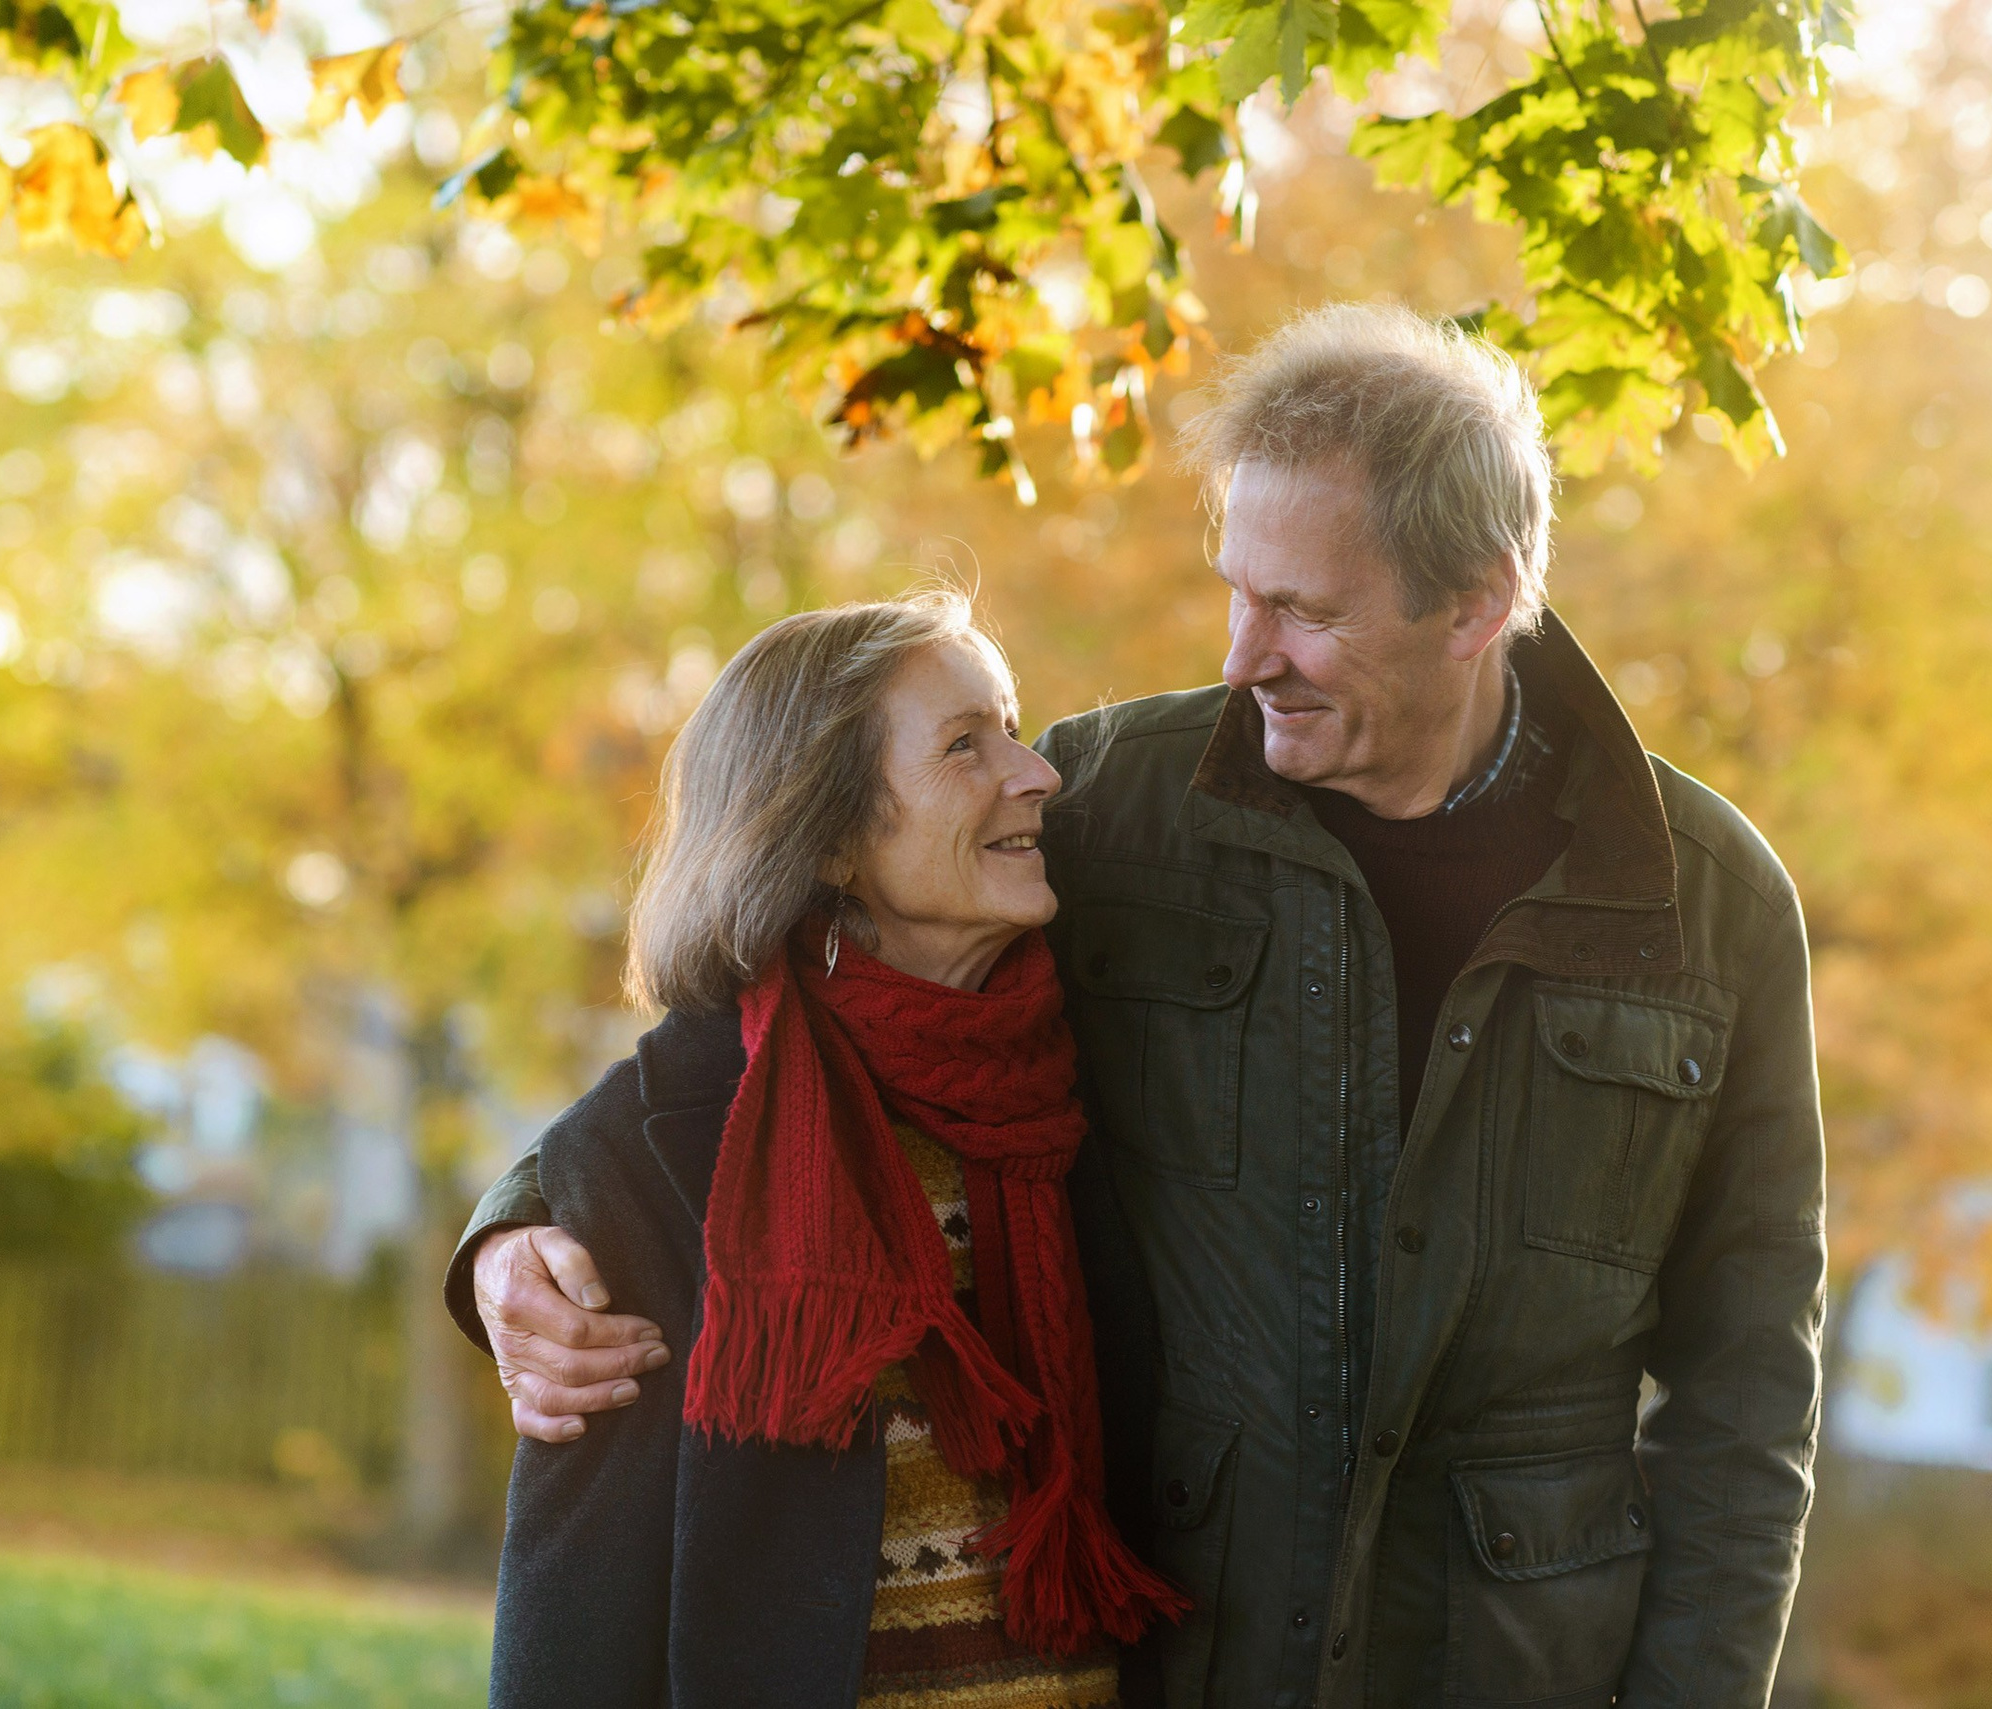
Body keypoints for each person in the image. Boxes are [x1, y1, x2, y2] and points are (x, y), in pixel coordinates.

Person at [453, 304, 1828, 1709]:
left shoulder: (1704, 906)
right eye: (1238, 587)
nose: (1244, 653)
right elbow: (793, 993)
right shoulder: (1110, 804)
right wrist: (521, 1232)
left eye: (1305, 609)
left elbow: (1748, 1398)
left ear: (1475, 602)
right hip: (1169, 1657)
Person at [484, 591, 1183, 1708]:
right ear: (832, 841)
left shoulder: (1098, 1072)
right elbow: (577, 1602)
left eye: (1010, 724)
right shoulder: (654, 1148)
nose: (1038, 772)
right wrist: (501, 1234)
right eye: (967, 745)